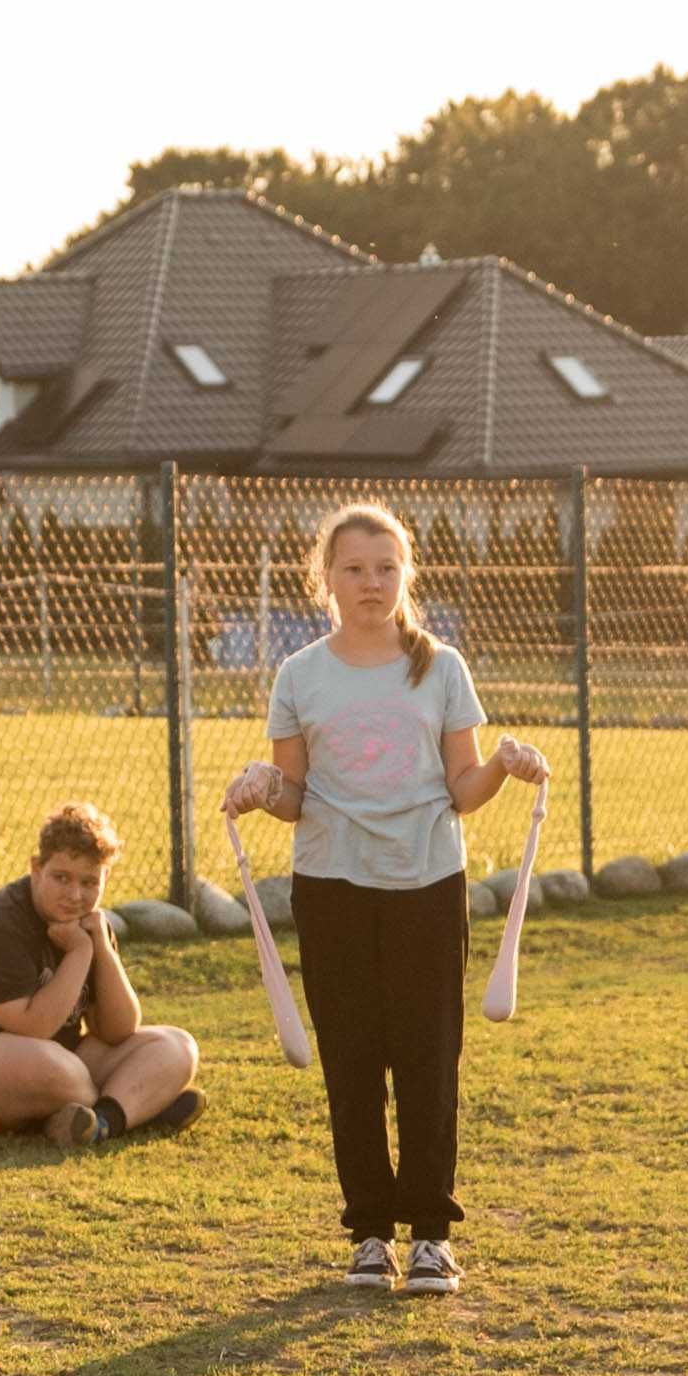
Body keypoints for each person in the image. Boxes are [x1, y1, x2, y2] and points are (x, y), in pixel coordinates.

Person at [223, 500, 544, 1295]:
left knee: (430, 1057)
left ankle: (432, 1234)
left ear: (406, 576)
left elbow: (464, 790)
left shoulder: (442, 666)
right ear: (325, 579)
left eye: (386, 568)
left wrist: (505, 764)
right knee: (354, 1060)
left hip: (427, 883)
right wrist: (262, 789)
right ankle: (369, 1233)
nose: (371, 583)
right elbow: (294, 794)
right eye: (354, 569)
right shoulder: (299, 674)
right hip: (332, 887)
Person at [0, 803, 204, 1159]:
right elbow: (34, 1028)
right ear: (36, 868)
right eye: (62, 878)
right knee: (54, 1067)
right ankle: (139, 1105)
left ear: (105, 879)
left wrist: (101, 950)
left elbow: (119, 1029)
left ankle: (104, 1121)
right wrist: (78, 954)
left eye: (90, 882)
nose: (75, 895)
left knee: (177, 1046)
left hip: (57, 1066)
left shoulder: (90, 924)